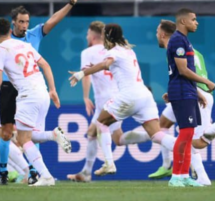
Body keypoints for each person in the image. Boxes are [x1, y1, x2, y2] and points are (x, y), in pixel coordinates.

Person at [0, 0, 79, 185]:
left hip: (26, 90)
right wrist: (51, 89)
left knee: (25, 136)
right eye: (21, 22)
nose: (24, 25)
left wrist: (70, 3)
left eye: (27, 22)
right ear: (12, 24)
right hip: (11, 88)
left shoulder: (33, 36)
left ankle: (37, 173)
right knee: (8, 132)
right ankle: (6, 172)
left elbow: (54, 19)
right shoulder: (12, 41)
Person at [69, 23, 177, 186]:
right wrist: (93, 68)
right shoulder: (128, 50)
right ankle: (186, 149)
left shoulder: (113, 52)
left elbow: (106, 64)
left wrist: (82, 73)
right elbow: (111, 67)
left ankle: (109, 163)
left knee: (100, 123)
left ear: (108, 36)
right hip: (145, 96)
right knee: (157, 135)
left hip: (128, 96)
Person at [0, 18, 61, 186]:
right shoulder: (25, 46)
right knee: (27, 136)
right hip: (42, 92)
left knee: (23, 139)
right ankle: (52, 136)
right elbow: (46, 65)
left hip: (27, 95)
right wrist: (53, 90)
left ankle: (45, 176)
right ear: (10, 31)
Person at [164, 8, 215, 187]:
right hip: (181, 92)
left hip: (188, 91)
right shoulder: (178, 40)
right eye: (194, 19)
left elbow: (186, 72)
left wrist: (197, 93)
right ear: (183, 22)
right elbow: (183, 70)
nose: (197, 22)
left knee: (189, 134)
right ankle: (176, 176)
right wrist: (206, 82)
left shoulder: (184, 40)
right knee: (185, 134)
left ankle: (184, 175)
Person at [67, 21, 121, 182]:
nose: (86, 36)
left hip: (104, 99)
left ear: (93, 36)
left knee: (115, 137)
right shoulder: (113, 50)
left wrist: (85, 96)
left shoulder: (88, 52)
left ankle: (159, 137)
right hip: (118, 95)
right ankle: (86, 172)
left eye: (87, 34)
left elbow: (86, 74)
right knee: (94, 133)